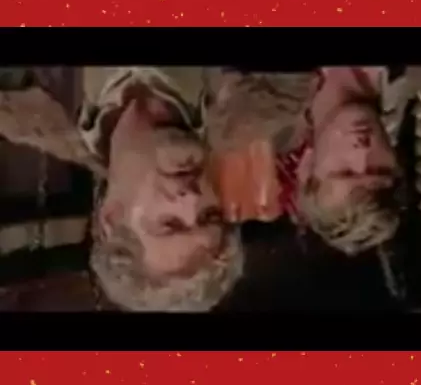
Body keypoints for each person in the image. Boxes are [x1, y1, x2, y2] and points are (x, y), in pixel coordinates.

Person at [0, 66, 244, 311]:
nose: (192, 199)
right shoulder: (241, 88)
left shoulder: (20, 99)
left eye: (170, 223)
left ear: (111, 217)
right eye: (209, 215)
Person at [209, 65, 421, 257]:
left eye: (344, 171)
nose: (362, 151)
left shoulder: (261, 99)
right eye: (379, 169)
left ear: (307, 167)